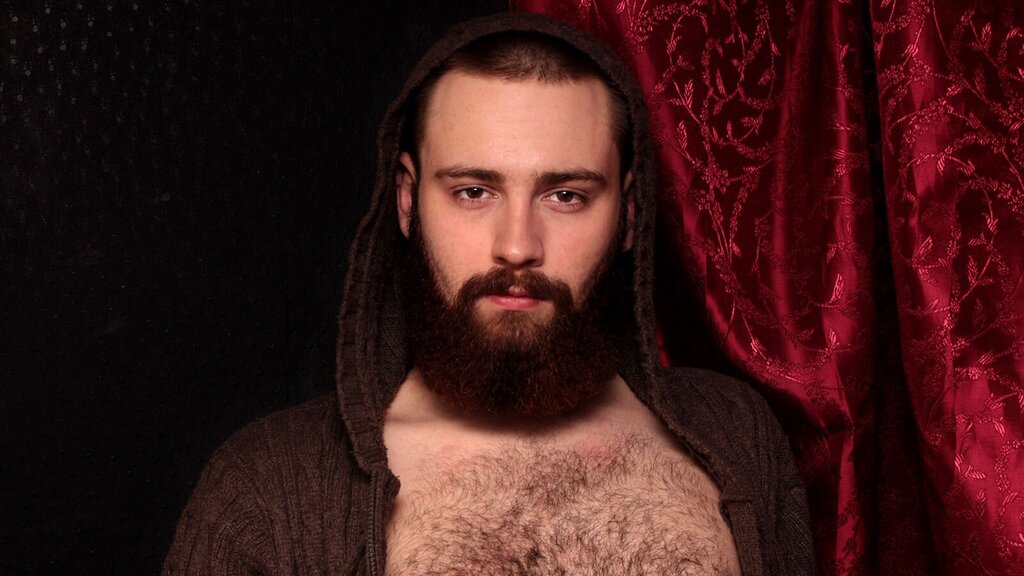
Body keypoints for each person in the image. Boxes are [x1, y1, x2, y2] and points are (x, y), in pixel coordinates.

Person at [164, 12, 814, 575]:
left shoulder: (737, 437)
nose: (517, 246)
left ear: (628, 215)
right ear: (407, 201)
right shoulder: (269, 487)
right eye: (474, 192)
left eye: (566, 196)